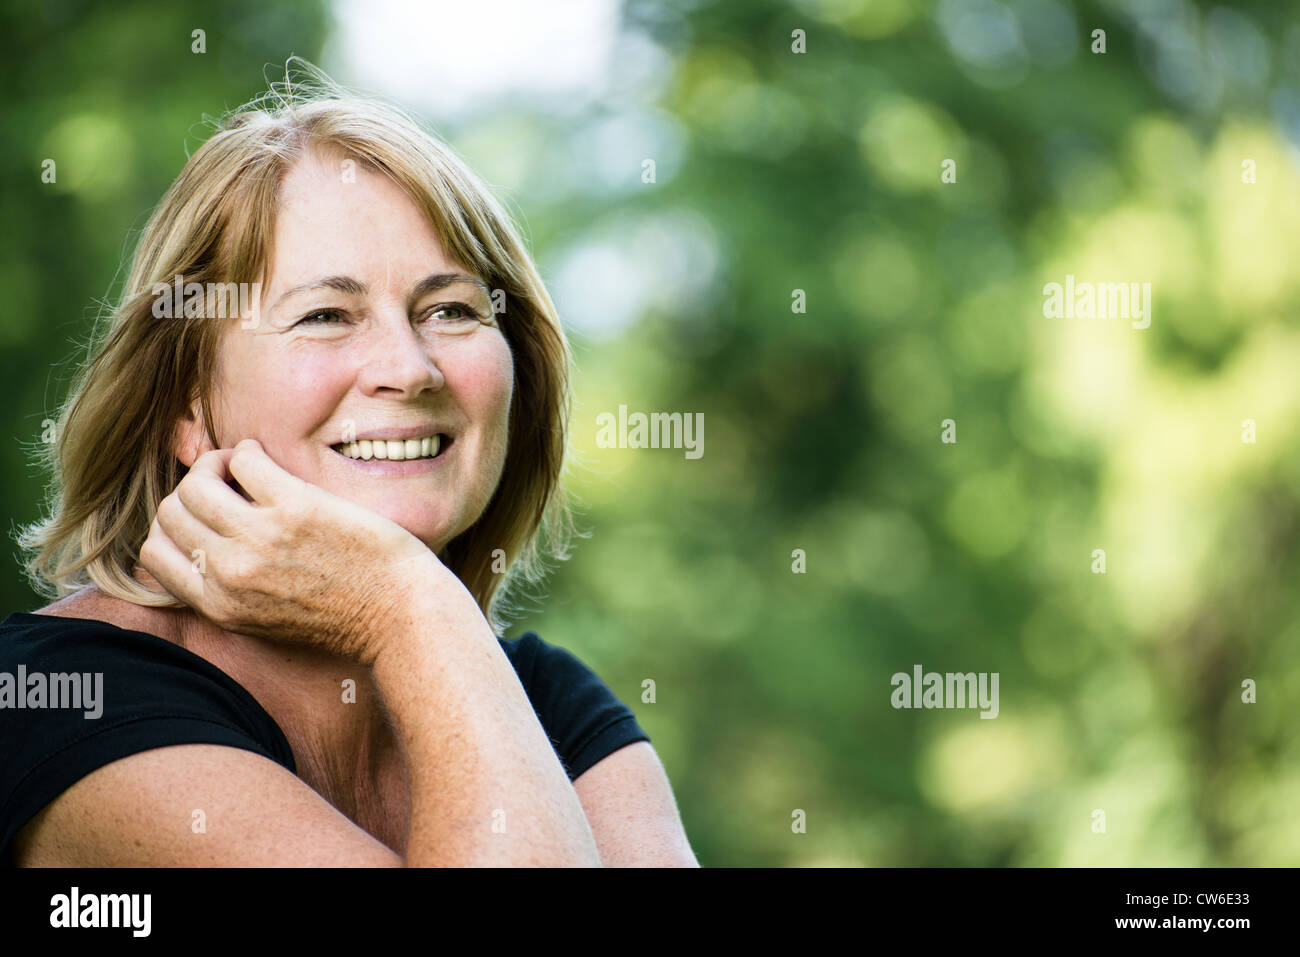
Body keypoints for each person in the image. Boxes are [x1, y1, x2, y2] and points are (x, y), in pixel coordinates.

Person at [1, 61, 698, 867]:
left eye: (451, 309)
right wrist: (404, 605)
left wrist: (413, 616)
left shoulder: (549, 703)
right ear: (185, 406)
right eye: (327, 315)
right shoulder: (65, 696)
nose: (410, 368)